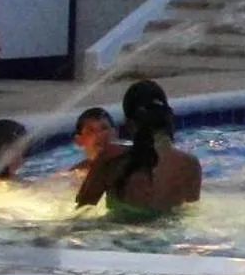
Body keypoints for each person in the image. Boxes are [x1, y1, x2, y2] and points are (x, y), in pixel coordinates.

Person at [75, 81, 200, 217]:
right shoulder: (190, 165)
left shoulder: (110, 157)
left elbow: (82, 210)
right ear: (168, 117)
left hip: (118, 233)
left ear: (129, 124)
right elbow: (187, 215)